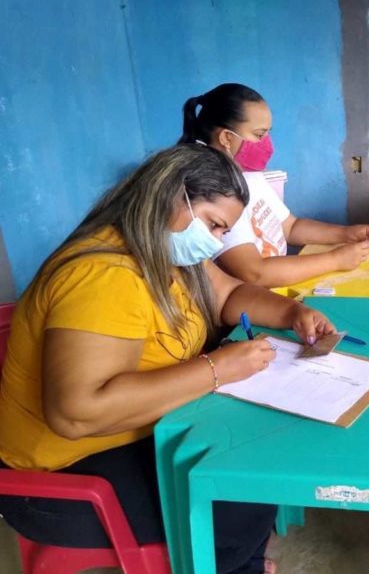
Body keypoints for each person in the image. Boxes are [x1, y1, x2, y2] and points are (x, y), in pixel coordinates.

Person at [0, 144, 337, 574]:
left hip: (128, 431)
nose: (214, 242)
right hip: (62, 474)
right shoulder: (105, 277)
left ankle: (243, 560)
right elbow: (77, 414)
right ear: (170, 197)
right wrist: (217, 370)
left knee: (252, 461)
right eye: (214, 225)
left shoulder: (168, 252)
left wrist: (291, 312)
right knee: (235, 495)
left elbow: (230, 294)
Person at [179, 83, 369, 288]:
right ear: (226, 138)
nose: (268, 143)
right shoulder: (214, 194)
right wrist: (335, 260)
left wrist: (345, 234)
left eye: (268, 134)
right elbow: (254, 273)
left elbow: (290, 227)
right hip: (249, 309)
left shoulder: (249, 175)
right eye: (259, 135)